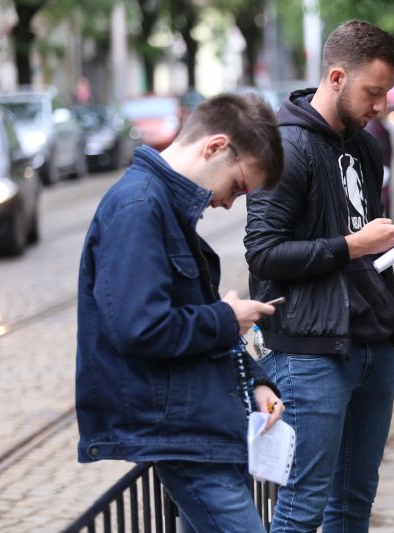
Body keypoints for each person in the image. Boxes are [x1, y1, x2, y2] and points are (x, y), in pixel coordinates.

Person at [244, 20, 394, 533]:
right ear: (337, 76)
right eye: (373, 92)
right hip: (309, 353)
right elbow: (263, 254)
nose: (381, 106)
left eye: (386, 93)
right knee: (303, 508)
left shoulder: (367, 147)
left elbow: (358, 233)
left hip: (370, 343)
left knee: (353, 505)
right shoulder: (282, 148)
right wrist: (352, 246)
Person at [75, 93, 286, 532]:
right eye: (239, 186)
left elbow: (189, 320)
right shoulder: (139, 207)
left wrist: (255, 381)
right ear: (215, 148)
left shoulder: (162, 206)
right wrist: (229, 319)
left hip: (197, 426)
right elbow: (142, 328)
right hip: (182, 431)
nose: (231, 202)